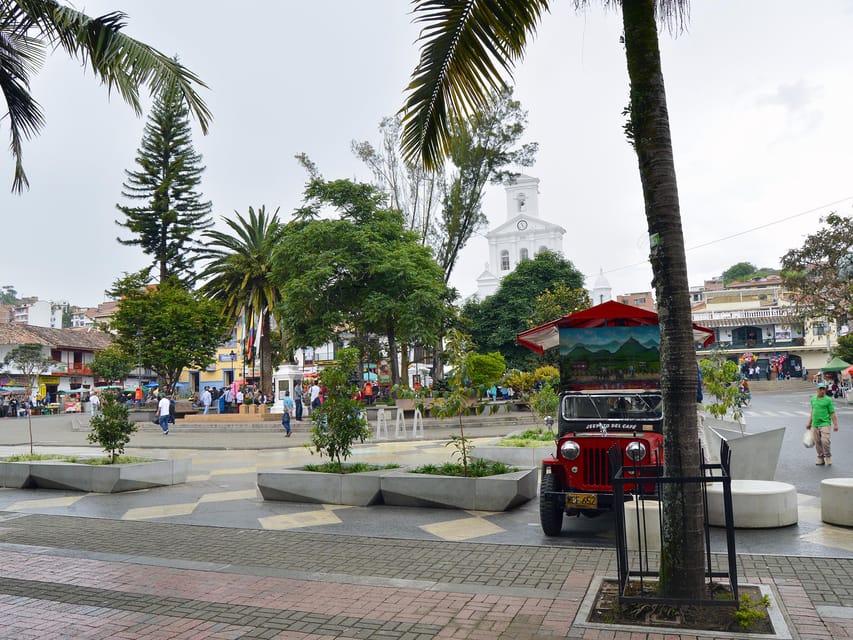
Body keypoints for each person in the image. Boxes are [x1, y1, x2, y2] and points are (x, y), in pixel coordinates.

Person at [807, 382, 838, 465]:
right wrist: (809, 423)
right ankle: (820, 458)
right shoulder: (813, 399)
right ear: (817, 390)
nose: (822, 390)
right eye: (820, 389)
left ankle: (828, 457)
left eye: (823, 389)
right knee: (817, 442)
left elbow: (832, 413)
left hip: (825, 423)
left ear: (825, 389)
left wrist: (835, 424)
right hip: (815, 424)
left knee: (825, 441)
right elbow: (812, 411)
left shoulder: (828, 400)